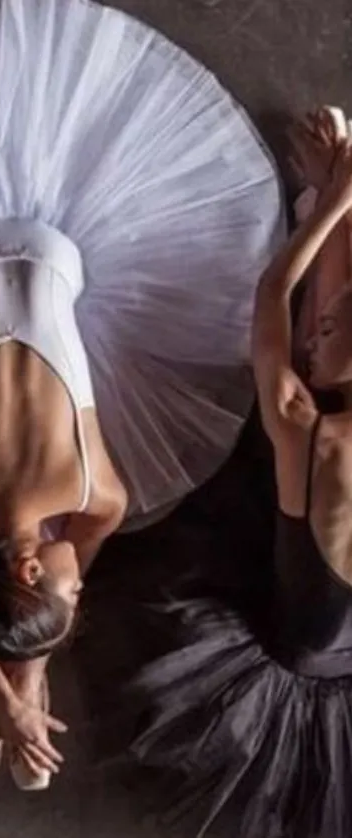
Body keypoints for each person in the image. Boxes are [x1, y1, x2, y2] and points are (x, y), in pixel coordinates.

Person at [0, 0, 283, 790]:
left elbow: (76, 547)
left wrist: (13, 677)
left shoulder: (95, 489)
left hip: (50, 253)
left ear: (30, 569)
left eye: (64, 587)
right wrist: (15, 665)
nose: (79, 582)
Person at [131, 110, 352, 838]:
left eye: (323, 331)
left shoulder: (308, 431)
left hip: (299, 647)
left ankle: (325, 191)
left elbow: (270, 300)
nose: (312, 335)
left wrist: (331, 208)